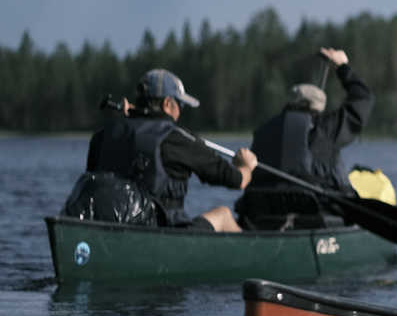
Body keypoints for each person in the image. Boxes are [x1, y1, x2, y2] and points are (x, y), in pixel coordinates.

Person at [77, 68, 256, 232]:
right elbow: (236, 180)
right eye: (180, 105)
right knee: (223, 215)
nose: (180, 112)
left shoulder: (103, 134)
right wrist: (246, 166)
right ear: (168, 104)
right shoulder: (176, 138)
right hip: (161, 233)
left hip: (108, 229)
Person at [236, 47, 374, 229]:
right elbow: (363, 99)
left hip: (263, 213)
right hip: (314, 213)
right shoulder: (324, 128)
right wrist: (343, 66)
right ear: (318, 109)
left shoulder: (263, 131)